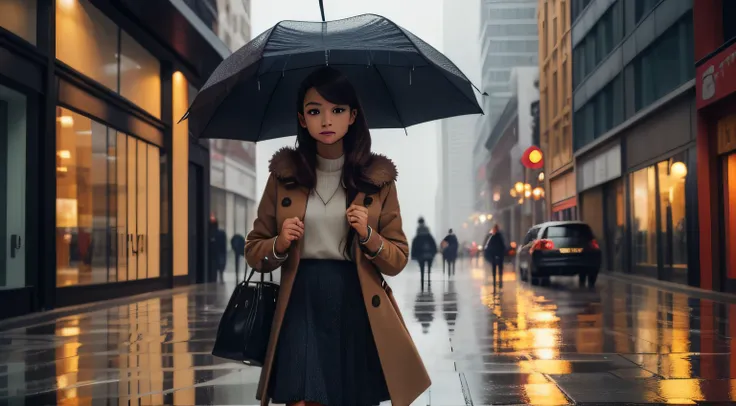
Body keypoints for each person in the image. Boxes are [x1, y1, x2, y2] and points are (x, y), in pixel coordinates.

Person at [244, 67, 430, 406]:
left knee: (352, 396)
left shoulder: (377, 181)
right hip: (300, 298)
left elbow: (398, 258)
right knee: (303, 397)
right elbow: (255, 250)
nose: (326, 120)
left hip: (356, 299)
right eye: (315, 111)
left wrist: (368, 234)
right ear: (302, 119)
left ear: (352, 116)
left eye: (337, 110)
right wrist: (279, 243)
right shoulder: (284, 178)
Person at [411, 217, 437, 284]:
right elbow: (432, 242)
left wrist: (413, 254)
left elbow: (415, 244)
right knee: (429, 268)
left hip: (421, 254)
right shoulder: (427, 231)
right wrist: (434, 252)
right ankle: (428, 280)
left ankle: (422, 280)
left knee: (422, 268)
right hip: (429, 253)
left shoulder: (418, 231)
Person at [208, 217, 227, 283]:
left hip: (217, 253)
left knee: (216, 266)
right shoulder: (221, 233)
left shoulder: (212, 234)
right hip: (219, 253)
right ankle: (219, 278)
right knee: (219, 266)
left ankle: (216, 279)